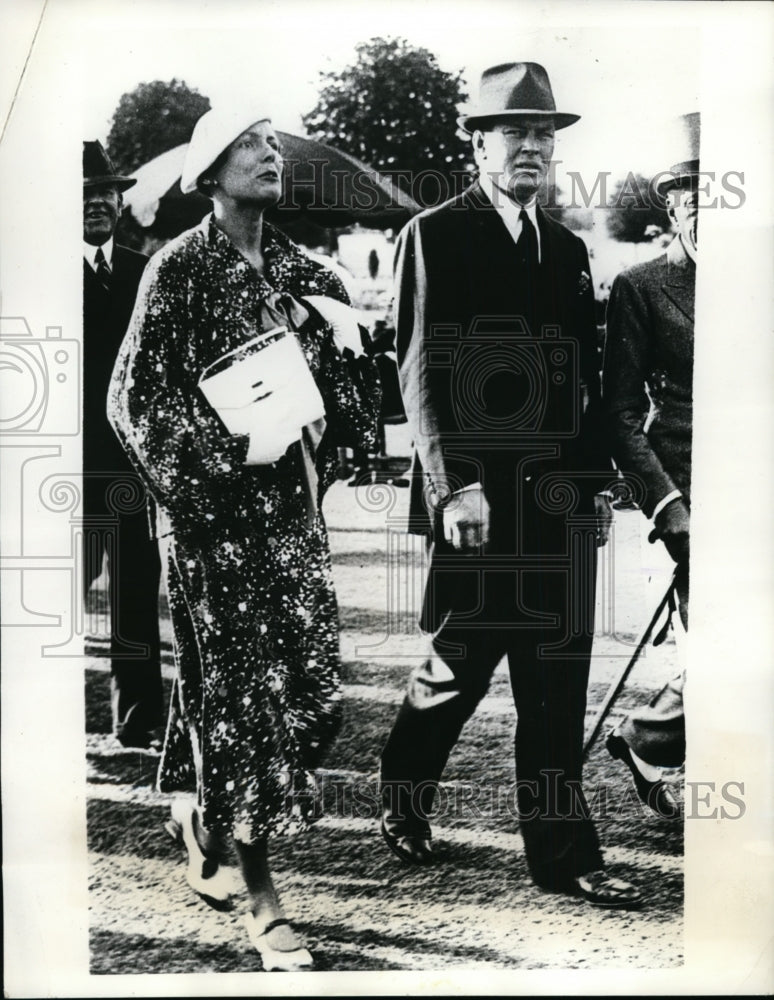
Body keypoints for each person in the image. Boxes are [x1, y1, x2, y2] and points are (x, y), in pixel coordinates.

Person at [108, 106, 380, 970]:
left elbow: (352, 405)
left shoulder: (310, 270)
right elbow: (132, 400)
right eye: (250, 146)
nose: (271, 155)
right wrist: (223, 459)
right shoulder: (177, 271)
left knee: (311, 694)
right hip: (210, 525)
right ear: (210, 174)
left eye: (272, 145)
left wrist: (345, 343)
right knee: (238, 695)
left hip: (291, 520)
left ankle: (195, 805)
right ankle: (264, 903)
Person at [379, 62, 641, 908]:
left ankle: (563, 855)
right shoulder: (436, 233)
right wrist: (454, 488)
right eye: (514, 132)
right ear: (479, 142)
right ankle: (404, 791)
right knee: (461, 669)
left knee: (557, 680)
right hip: (480, 506)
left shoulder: (566, 248)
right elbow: (419, 369)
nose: (532, 147)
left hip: (558, 502)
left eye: (544, 134)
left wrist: (598, 483)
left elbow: (584, 385)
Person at [602, 113, 700, 819]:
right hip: (691, 493)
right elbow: (619, 414)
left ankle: (647, 739)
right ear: (672, 206)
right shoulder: (640, 288)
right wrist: (666, 505)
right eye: (695, 198)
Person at [82, 140, 163, 751]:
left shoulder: (144, 274)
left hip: (133, 465)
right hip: (61, 469)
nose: (97, 203)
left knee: (136, 591)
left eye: (107, 191)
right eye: (83, 194)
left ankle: (137, 716)